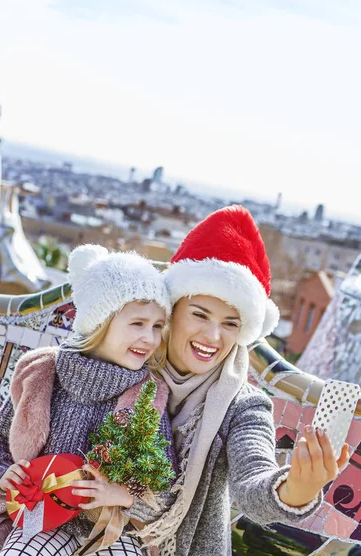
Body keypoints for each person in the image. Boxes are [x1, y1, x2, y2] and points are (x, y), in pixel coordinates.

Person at [127, 205, 350, 556]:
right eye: (200, 314)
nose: (213, 336)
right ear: (172, 310)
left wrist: (294, 489)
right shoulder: (128, 366)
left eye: (230, 323)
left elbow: (252, 480)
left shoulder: (243, 404)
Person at [0, 245, 176, 556]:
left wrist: (122, 495)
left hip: (112, 526)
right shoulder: (43, 374)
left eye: (157, 326)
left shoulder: (147, 397)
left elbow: (163, 485)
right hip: (42, 516)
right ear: (98, 322)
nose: (150, 339)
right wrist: (3, 472)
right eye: (137, 324)